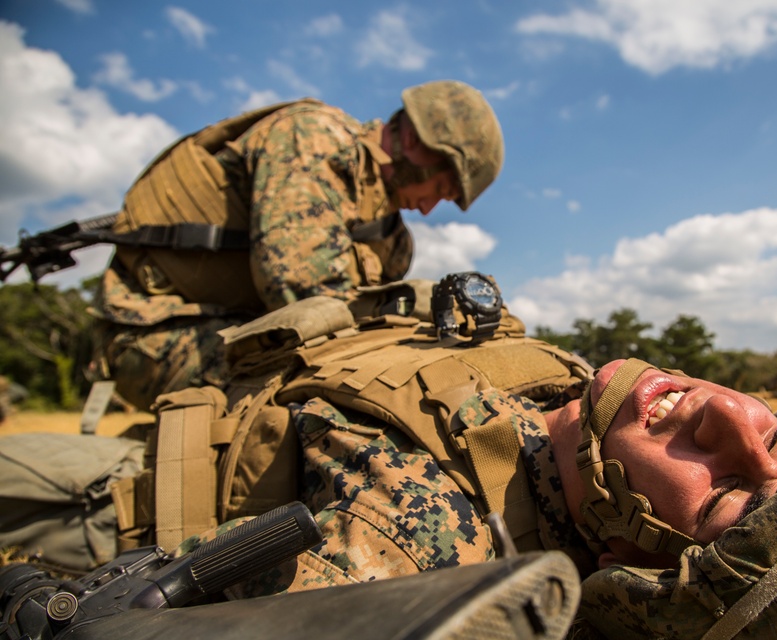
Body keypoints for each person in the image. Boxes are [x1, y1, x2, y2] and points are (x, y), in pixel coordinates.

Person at [2, 292, 777, 640]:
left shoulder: (429, 543)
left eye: (735, 492)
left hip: (105, 491)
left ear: (637, 564)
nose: (733, 414)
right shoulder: (574, 411)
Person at [89, 80, 503, 411]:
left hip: (245, 335)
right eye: (439, 188)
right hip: (157, 333)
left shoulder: (390, 241)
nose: (429, 210)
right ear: (413, 141)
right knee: (322, 405)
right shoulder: (312, 137)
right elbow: (302, 297)